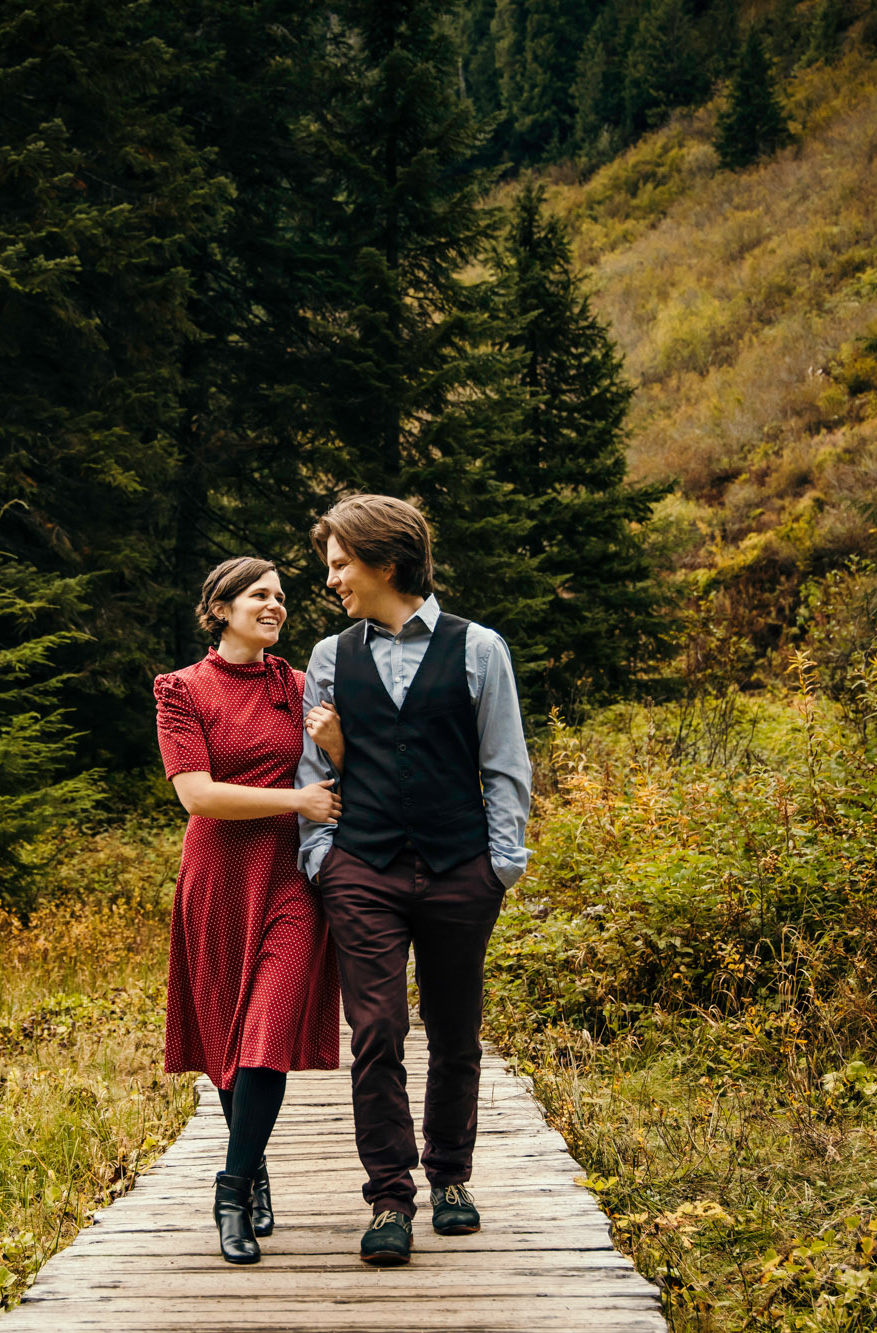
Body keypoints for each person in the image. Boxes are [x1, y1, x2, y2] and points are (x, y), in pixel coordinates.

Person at [295, 494, 532, 1267]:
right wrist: (323, 858)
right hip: (363, 866)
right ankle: (390, 1196)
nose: (332, 580)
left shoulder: (479, 648)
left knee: (457, 1030)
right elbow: (316, 773)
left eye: (340, 564)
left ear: (385, 563)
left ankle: (452, 1179)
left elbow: (503, 767)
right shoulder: (331, 657)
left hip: (461, 866)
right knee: (376, 1030)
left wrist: (501, 866)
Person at [153, 556, 345, 1265]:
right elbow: (198, 795)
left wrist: (335, 747)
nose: (276, 605)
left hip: (294, 879)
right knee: (227, 1041)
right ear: (221, 607)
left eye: (282, 596)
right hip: (218, 876)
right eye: (260, 595)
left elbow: (347, 771)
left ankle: (230, 1187)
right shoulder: (181, 689)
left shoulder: (301, 687)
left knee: (265, 1030)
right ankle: (254, 1162)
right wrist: (297, 800)